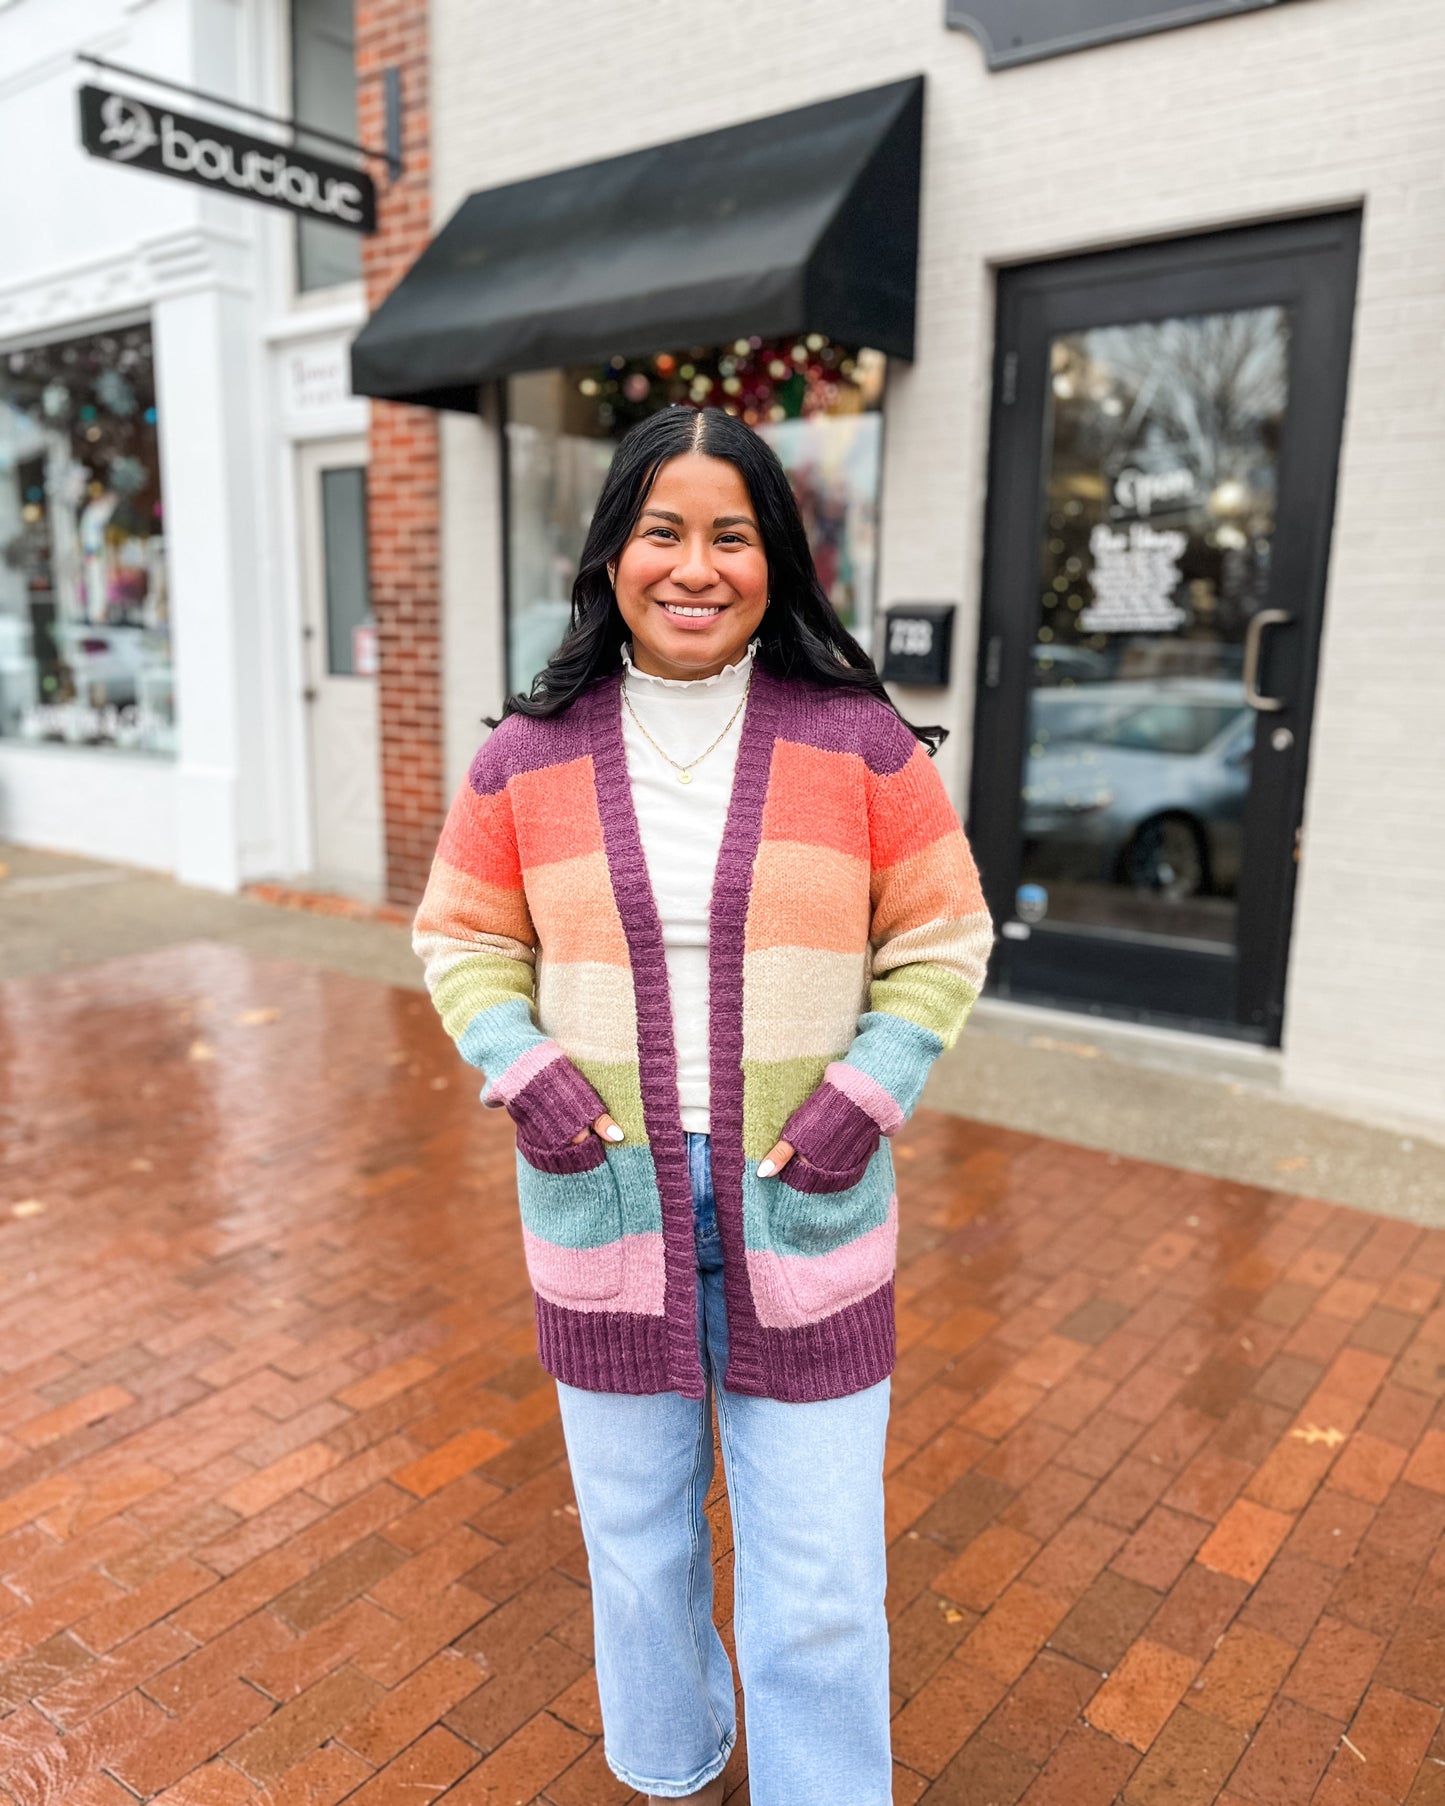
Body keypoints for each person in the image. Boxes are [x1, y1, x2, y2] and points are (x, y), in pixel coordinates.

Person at [413, 405, 993, 1805]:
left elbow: (942, 938)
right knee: (637, 1543)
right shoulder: (526, 755)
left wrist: (866, 1090)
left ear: (773, 559)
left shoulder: (857, 744)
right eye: (661, 529)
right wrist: (527, 1069)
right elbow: (461, 936)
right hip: (600, 1203)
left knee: (821, 1572)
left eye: (728, 533)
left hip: (807, 1208)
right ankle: (672, 1765)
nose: (694, 564)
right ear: (612, 549)